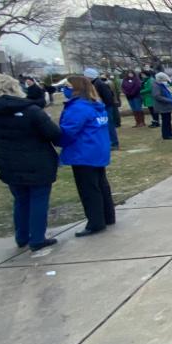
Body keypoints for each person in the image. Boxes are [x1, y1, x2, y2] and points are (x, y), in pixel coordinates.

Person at [0, 74, 62, 251]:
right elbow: (54, 134)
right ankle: (37, 238)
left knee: (20, 200)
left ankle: (22, 236)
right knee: (38, 199)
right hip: (37, 161)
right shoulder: (31, 111)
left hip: (8, 162)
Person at [58, 76, 115, 237]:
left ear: (75, 88)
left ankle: (96, 222)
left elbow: (68, 131)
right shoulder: (96, 105)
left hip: (83, 152)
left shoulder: (78, 108)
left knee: (89, 189)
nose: (65, 89)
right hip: (97, 149)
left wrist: (57, 139)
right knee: (101, 185)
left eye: (68, 86)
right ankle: (107, 216)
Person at [84, 68, 119, 150]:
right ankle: (110, 142)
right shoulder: (95, 83)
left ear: (89, 76)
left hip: (106, 107)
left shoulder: (99, 84)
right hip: (103, 107)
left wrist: (103, 106)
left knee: (109, 125)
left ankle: (114, 143)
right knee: (105, 126)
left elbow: (108, 97)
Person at [151, 72, 172, 140]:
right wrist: (169, 100)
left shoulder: (160, 84)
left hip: (166, 106)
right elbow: (157, 96)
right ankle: (166, 135)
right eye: (164, 80)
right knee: (165, 120)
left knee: (168, 120)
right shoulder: (156, 85)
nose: (165, 81)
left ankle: (170, 134)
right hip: (162, 106)